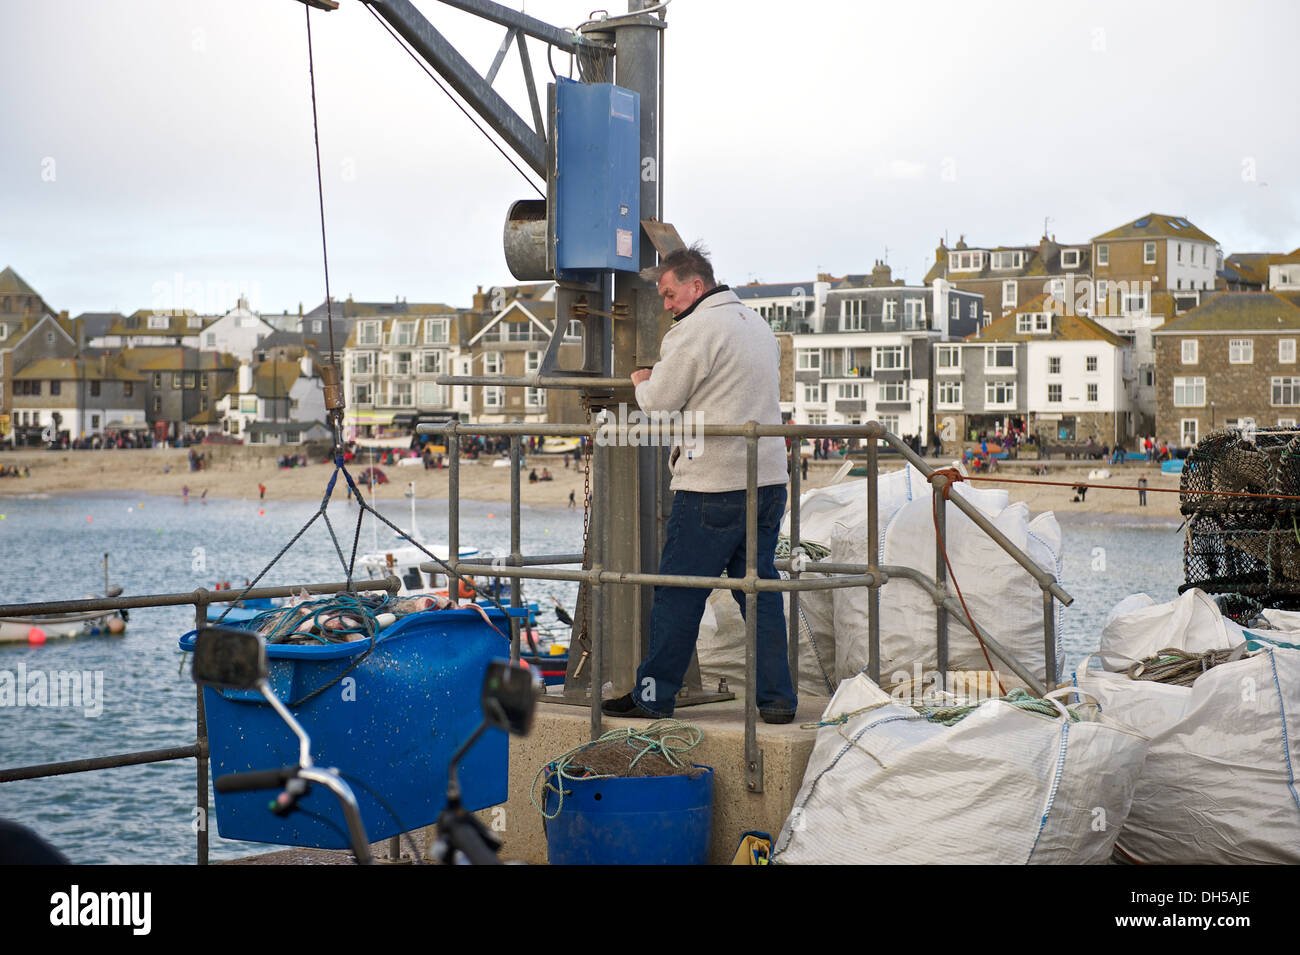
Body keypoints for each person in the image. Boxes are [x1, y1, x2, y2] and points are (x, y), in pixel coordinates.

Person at [602, 243, 796, 725]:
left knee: (678, 592)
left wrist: (642, 379)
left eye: (669, 294)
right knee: (757, 588)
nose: (666, 305)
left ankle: (652, 694)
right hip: (768, 479)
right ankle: (777, 699)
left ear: (696, 286)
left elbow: (661, 402)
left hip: (714, 483)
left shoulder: (695, 330)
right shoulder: (757, 324)